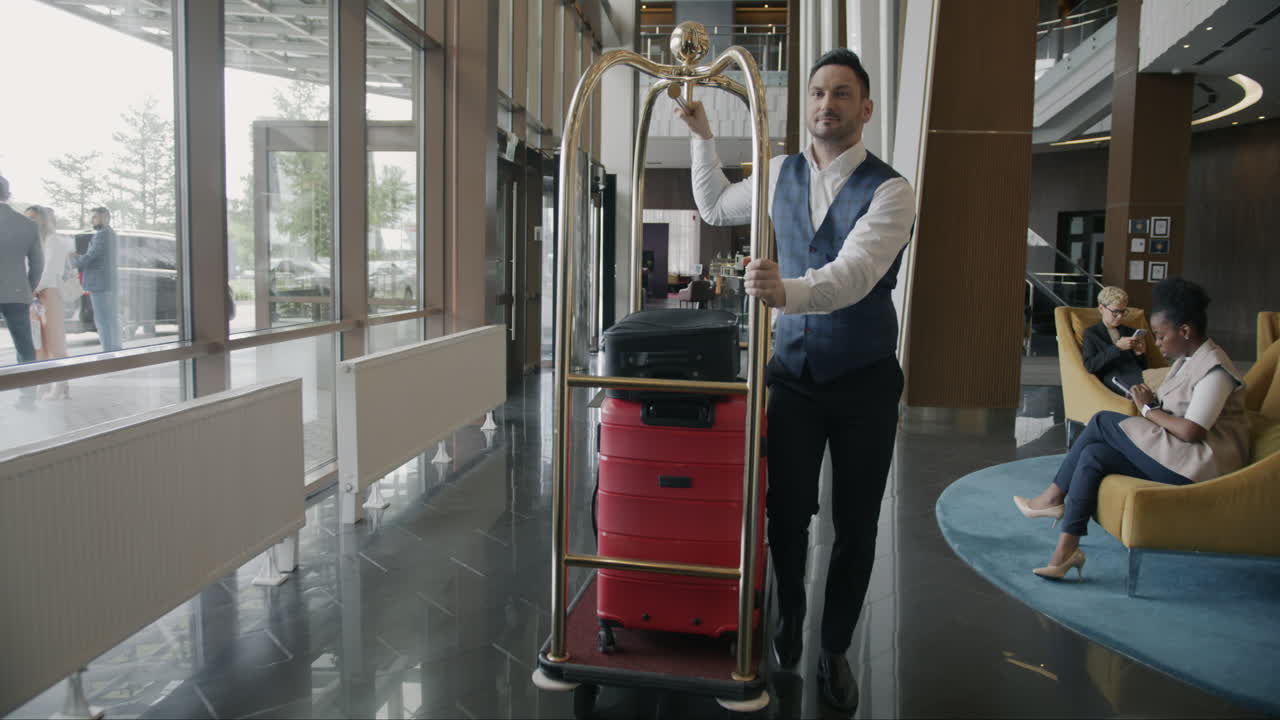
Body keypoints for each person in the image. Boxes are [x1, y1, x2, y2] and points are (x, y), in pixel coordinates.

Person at [676, 49, 915, 712]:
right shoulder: (779, 170)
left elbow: (856, 274)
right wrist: (702, 138)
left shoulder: (891, 190)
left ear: (864, 109)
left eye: (841, 94)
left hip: (866, 381)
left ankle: (834, 646)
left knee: (857, 524)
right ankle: (787, 613)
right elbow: (717, 205)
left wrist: (787, 290)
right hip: (795, 378)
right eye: (817, 93)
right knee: (785, 510)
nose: (825, 104)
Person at [1014, 277, 1250, 579]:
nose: (1158, 342)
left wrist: (1148, 409)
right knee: (1094, 456)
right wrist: (1150, 401)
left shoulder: (1215, 369)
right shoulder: (1187, 360)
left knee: (1101, 420)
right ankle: (1065, 552)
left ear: (1186, 331)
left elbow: (1194, 431)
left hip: (1199, 467)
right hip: (1177, 454)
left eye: (1161, 335)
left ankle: (1051, 498)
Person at [0, 175, 45, 408]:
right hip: (17, 291)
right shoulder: (27, 225)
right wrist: (27, 286)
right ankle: (27, 397)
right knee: (24, 345)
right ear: (7, 194)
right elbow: (38, 264)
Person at [26, 205, 74, 398]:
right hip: (36, 294)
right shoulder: (34, 240)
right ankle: (47, 382)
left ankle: (59, 384)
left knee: (54, 341)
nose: (30, 221)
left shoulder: (53, 240)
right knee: (40, 342)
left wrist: (33, 288)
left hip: (49, 292)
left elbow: (50, 269)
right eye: (27, 217)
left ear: (43, 220)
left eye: (33, 218)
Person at [1082, 285, 1148, 395]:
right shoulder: (1091, 333)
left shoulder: (1129, 331)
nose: (1120, 317)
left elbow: (1143, 367)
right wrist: (1117, 348)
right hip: (1116, 379)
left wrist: (1140, 354)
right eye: (1115, 312)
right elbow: (1090, 366)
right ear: (1101, 309)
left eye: (1123, 312)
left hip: (1138, 376)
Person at [74, 206, 120, 353]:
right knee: (110, 318)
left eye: (95, 217)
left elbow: (92, 255)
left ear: (105, 217)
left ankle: (108, 351)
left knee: (102, 320)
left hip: (100, 283)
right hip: (107, 282)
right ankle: (115, 349)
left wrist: (76, 261)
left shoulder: (102, 234)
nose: (91, 220)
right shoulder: (110, 233)